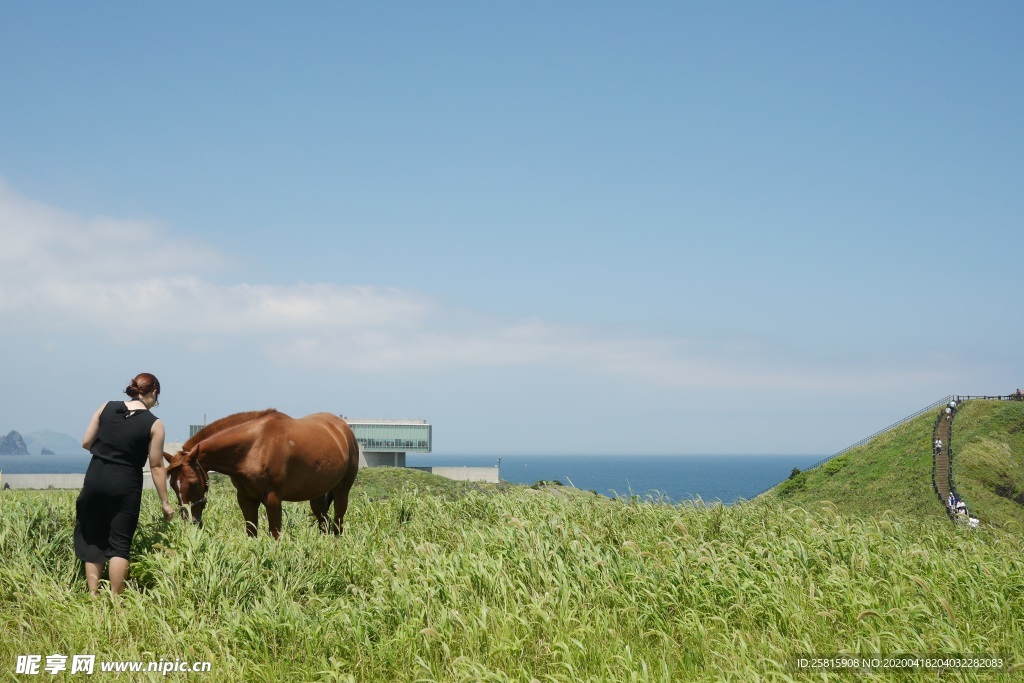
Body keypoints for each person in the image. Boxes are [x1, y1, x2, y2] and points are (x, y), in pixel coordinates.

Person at [74, 373, 175, 596]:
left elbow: (86, 442)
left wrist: (108, 449)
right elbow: (157, 466)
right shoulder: (155, 424)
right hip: (126, 481)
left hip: (96, 475)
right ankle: (116, 601)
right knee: (120, 544)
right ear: (154, 393)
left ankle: (93, 596)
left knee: (94, 538)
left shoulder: (106, 407)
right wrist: (165, 502)